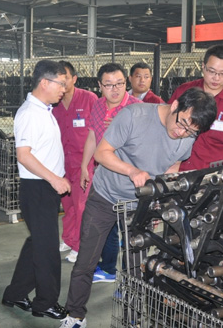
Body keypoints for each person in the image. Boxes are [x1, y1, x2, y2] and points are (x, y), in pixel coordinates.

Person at [60, 87, 217, 328]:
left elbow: (173, 164)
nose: (181, 133)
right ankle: (75, 315)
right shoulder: (134, 116)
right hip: (106, 196)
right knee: (86, 261)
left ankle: (131, 317)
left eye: (190, 131)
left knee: (136, 267)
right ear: (175, 105)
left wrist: (161, 195)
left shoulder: (188, 134)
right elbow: (101, 153)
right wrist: (132, 171)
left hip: (140, 205)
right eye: (182, 124)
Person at [2, 59, 70, 320]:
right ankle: (45, 303)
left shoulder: (44, 110)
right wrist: (55, 179)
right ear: (44, 82)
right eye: (60, 84)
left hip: (44, 188)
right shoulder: (30, 114)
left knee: (38, 244)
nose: (63, 89)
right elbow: (24, 155)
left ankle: (15, 293)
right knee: (47, 249)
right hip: (38, 187)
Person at [79, 63, 141, 285]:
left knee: (131, 236)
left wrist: (123, 126)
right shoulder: (97, 105)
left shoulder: (137, 108)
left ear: (126, 82)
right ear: (99, 85)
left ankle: (130, 285)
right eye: (108, 85)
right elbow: (92, 136)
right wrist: (85, 166)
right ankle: (108, 269)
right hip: (103, 181)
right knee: (105, 229)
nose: (115, 90)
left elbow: (145, 145)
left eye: (120, 84)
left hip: (129, 182)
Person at [168, 45, 223, 170]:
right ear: (203, 67)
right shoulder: (184, 90)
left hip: (210, 172)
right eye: (211, 71)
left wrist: (215, 167)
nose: (216, 78)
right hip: (177, 167)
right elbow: (167, 121)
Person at [52, 61, 98, 263]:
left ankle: (80, 246)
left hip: (83, 163)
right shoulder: (53, 103)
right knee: (68, 205)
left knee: (81, 206)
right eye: (58, 79)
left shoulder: (89, 99)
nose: (62, 83)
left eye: (66, 78)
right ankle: (69, 239)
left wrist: (89, 164)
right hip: (62, 163)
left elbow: (96, 132)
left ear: (74, 79)